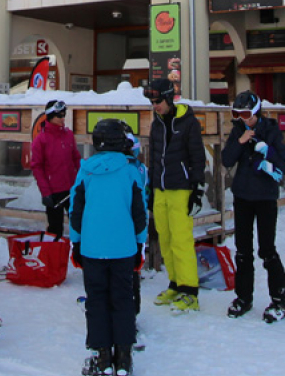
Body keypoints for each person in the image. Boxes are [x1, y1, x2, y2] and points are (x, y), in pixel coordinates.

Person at [71, 118, 148, 376]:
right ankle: (124, 357)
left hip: (92, 246)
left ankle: (102, 357)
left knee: (97, 300)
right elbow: (140, 211)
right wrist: (140, 244)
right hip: (124, 246)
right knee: (123, 298)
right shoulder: (130, 171)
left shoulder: (86, 170)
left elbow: (76, 210)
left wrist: (76, 242)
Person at [221, 91, 285, 322]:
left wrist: (265, 150)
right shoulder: (238, 130)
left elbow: (283, 163)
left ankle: (280, 300)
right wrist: (240, 142)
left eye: (245, 114)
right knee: (242, 249)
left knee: (267, 249)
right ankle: (243, 297)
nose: (241, 118)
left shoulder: (271, 129)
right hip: (242, 196)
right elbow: (227, 159)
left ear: (256, 111)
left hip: (265, 197)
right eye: (237, 113)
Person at [144, 77, 205, 312]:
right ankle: (175, 284)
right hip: (160, 189)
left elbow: (197, 157)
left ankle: (190, 291)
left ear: (169, 97)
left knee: (181, 241)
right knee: (166, 240)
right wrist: (151, 189)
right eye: (152, 101)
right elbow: (153, 157)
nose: (155, 105)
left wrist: (196, 189)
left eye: (158, 100)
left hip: (180, 188)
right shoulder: (156, 123)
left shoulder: (188, 122)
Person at [29, 99, 80, 239]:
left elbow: (76, 157)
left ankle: (80, 255)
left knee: (79, 225)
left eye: (64, 115)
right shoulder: (41, 140)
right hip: (54, 192)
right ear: (50, 117)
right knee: (55, 228)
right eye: (59, 116)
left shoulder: (68, 135)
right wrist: (45, 193)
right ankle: (54, 256)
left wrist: (81, 179)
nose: (63, 118)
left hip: (71, 189)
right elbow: (37, 167)